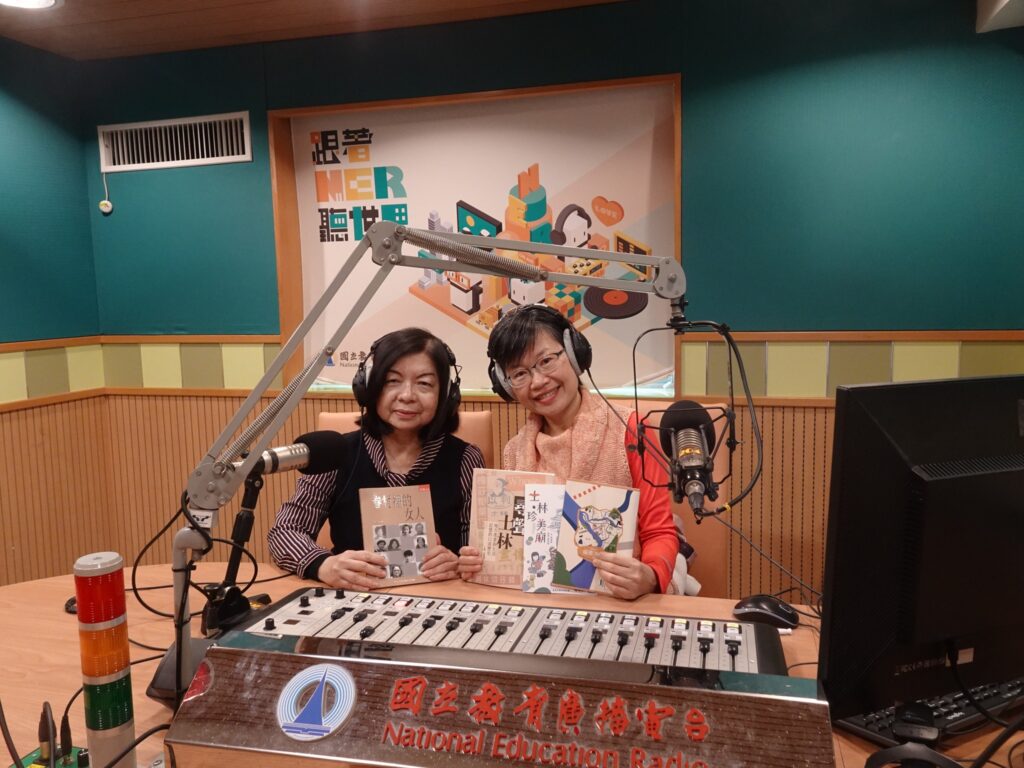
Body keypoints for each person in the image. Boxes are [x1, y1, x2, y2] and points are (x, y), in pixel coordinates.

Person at [457, 303, 678, 599]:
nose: (538, 382)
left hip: (619, 600)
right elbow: (515, 546)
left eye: (546, 361)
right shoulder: (514, 452)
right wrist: (482, 560)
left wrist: (649, 575)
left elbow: (659, 532)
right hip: (540, 604)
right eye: (519, 374)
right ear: (506, 386)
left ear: (575, 353)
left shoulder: (631, 430)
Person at [268, 327, 485, 590]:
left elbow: (478, 550)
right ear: (369, 386)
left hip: (439, 599)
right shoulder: (337, 453)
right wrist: (323, 565)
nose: (407, 395)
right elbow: (286, 530)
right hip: (353, 598)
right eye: (392, 381)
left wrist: (460, 563)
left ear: (446, 394)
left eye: (424, 384)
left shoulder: (465, 459)